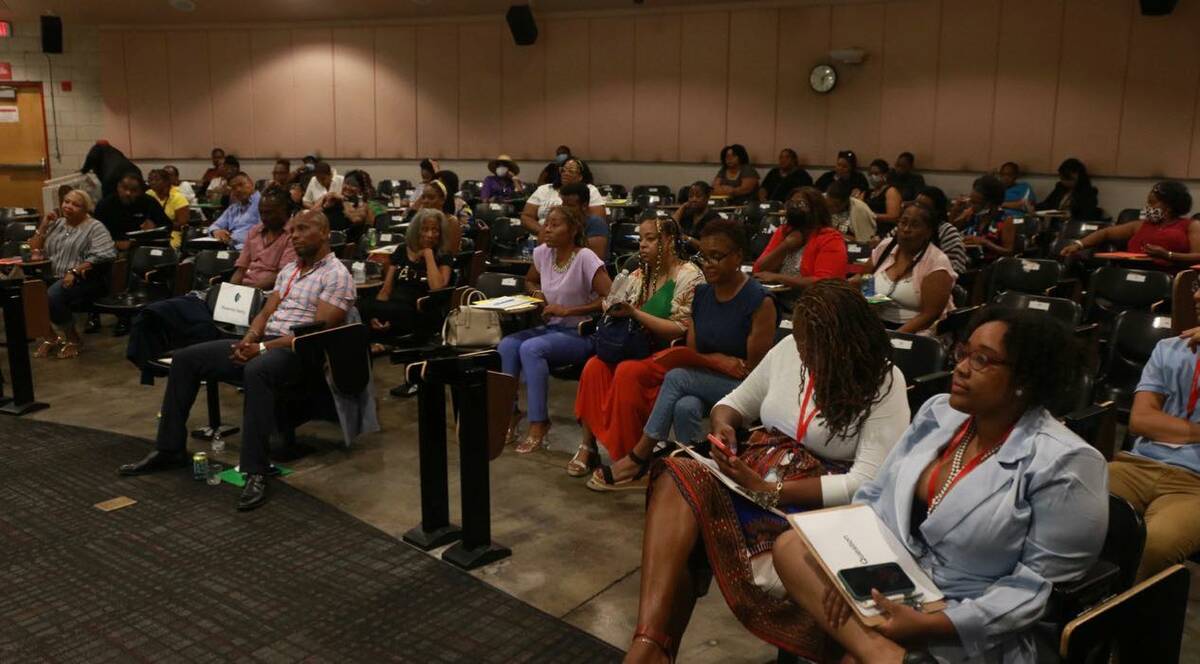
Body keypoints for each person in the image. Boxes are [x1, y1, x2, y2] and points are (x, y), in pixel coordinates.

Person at [772, 308, 1107, 664]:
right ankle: (883, 654)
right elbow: (876, 497)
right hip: (894, 580)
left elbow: (1038, 590)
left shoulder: (1066, 462)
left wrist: (936, 623)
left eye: (982, 360)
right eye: (963, 353)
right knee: (791, 547)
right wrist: (848, 574)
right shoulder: (940, 412)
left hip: (972, 615)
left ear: (1024, 378)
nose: (960, 368)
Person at [622, 280, 910, 661]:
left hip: (807, 500)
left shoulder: (884, 383)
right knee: (678, 473)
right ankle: (649, 642)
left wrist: (771, 491)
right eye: (802, 340)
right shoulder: (791, 350)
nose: (803, 352)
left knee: (690, 533)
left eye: (813, 345)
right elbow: (732, 403)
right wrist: (724, 426)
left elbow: (865, 483)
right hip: (756, 477)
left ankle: (654, 650)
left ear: (847, 342)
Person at [117, 210, 357, 512]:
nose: (294, 235)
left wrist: (262, 348)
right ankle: (169, 448)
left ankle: (255, 470)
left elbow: (316, 335)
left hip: (300, 353)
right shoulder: (291, 271)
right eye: (292, 230)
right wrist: (250, 337)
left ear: (324, 233)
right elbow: (266, 312)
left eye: (303, 229)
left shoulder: (336, 275)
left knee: (257, 370)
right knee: (187, 359)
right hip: (268, 342)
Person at [584, 219, 776, 486]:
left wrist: (712, 365)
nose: (708, 264)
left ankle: (639, 457)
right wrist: (717, 361)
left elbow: (754, 373)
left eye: (717, 257)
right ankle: (691, 475)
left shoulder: (759, 301)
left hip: (744, 387)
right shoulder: (702, 295)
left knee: (676, 378)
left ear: (738, 257)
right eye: (705, 257)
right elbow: (695, 353)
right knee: (685, 405)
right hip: (708, 377)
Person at [125, 187, 297, 385]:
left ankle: (198, 364)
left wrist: (246, 293)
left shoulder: (293, 235)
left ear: (286, 210)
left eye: (270, 212)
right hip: (243, 291)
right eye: (262, 211)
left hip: (265, 294)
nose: (264, 217)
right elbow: (240, 270)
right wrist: (231, 293)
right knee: (160, 312)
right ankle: (150, 364)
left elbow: (281, 276)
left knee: (206, 323)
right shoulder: (254, 231)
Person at [573, 215, 705, 461]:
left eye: (650, 239)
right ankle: (588, 447)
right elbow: (610, 303)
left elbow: (681, 329)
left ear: (669, 240)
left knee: (627, 372)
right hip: (633, 347)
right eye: (641, 239)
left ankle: (629, 456)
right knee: (593, 367)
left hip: (668, 354)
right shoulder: (638, 273)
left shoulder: (689, 275)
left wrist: (635, 313)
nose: (642, 244)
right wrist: (613, 306)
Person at [502, 206, 612, 453]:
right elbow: (530, 280)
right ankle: (510, 413)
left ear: (572, 230)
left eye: (554, 224)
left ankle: (539, 423)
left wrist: (568, 311)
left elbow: (612, 298)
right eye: (546, 224)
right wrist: (538, 296)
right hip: (551, 328)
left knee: (531, 349)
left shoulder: (585, 257)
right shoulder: (542, 253)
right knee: (507, 345)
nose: (546, 229)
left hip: (582, 332)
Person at [1111, 283, 1200, 580]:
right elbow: (1141, 421)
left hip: (1194, 485)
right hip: (1138, 466)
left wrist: (1173, 428)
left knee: (1155, 544)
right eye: (1198, 286)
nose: (1196, 295)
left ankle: (1123, 620)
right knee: (1062, 502)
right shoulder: (1169, 348)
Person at [27, 190, 117, 359]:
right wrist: (44, 224)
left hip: (85, 278)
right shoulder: (58, 223)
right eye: (66, 202)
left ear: (86, 209)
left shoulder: (95, 227)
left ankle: (73, 338)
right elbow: (35, 248)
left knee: (53, 295)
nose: (68, 206)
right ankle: (51, 337)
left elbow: (105, 254)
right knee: (28, 291)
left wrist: (74, 271)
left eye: (76, 204)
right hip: (53, 274)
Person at [857, 203, 956, 335]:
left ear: (928, 232)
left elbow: (930, 315)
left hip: (917, 332)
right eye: (903, 222)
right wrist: (872, 300)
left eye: (914, 225)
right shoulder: (885, 247)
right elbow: (866, 277)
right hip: (877, 323)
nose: (906, 229)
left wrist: (894, 336)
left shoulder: (937, 263)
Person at [357, 208, 454, 342]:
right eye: (425, 229)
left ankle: (383, 341)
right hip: (394, 307)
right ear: (416, 231)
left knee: (399, 312)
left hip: (419, 310)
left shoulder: (443, 255)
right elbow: (386, 290)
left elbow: (437, 288)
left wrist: (428, 254)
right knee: (361, 307)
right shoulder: (402, 250)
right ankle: (381, 338)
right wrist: (377, 315)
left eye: (435, 230)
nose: (430, 235)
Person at [1060, 181, 1200, 270]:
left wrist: (1168, 255)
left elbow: (1198, 257)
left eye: (1152, 202)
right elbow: (1106, 233)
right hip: (1130, 271)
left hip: (1165, 275)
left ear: (1169, 206)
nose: (1147, 206)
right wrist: (1078, 244)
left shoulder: (1191, 226)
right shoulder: (1140, 225)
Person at [754, 187, 849, 308]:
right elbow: (759, 269)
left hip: (815, 303)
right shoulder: (783, 231)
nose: (794, 208)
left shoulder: (830, 238)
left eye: (801, 204)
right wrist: (785, 246)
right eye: (791, 203)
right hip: (778, 300)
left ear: (816, 209)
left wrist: (778, 277)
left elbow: (824, 283)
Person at [521, 158, 606, 235]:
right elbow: (526, 216)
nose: (565, 173)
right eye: (563, 170)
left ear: (580, 177)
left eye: (571, 171)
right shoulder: (544, 189)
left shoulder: (590, 190)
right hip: (541, 235)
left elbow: (598, 220)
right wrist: (543, 232)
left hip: (573, 238)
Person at [92, 172, 171, 250]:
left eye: (134, 190)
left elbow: (168, 226)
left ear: (140, 191)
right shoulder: (105, 204)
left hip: (144, 247)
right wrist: (114, 243)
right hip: (113, 248)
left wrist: (155, 228)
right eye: (124, 188)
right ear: (118, 187)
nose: (128, 193)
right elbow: (96, 233)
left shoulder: (148, 202)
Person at [955, 174, 1014, 259]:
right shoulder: (973, 215)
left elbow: (1009, 252)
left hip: (991, 266)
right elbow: (952, 230)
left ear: (990, 204)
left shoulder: (1006, 220)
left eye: (975, 203)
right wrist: (955, 210)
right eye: (970, 201)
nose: (971, 205)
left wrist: (985, 242)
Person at [916, 186, 968, 276]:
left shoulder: (947, 232)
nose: (917, 210)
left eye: (923, 207)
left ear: (936, 211)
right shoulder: (904, 226)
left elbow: (953, 271)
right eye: (916, 205)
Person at [318, 170, 376, 245]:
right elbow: (312, 214)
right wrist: (325, 206)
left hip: (343, 245)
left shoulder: (364, 205)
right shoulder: (333, 197)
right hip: (322, 239)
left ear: (361, 189)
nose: (348, 187)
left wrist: (344, 200)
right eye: (346, 183)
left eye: (353, 185)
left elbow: (356, 219)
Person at [209, 172, 261, 250]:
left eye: (241, 184)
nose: (238, 190)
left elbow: (263, 235)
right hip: (228, 248)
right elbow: (214, 225)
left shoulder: (262, 204)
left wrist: (232, 239)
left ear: (251, 183)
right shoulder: (233, 208)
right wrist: (216, 231)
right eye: (233, 188)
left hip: (249, 250)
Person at [1036, 157, 1101, 220]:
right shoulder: (1060, 188)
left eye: (1069, 179)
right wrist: (1034, 208)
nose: (1065, 182)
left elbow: (1086, 215)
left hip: (1074, 226)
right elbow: (1047, 204)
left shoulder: (1088, 193)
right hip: (1056, 226)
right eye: (1062, 179)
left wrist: (1072, 215)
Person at [560, 181, 610, 259]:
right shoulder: (562, 221)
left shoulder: (596, 224)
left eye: (570, 206)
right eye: (563, 204)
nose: (564, 209)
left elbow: (595, 259)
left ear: (584, 206)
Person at [146, 168, 191, 249]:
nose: (152, 183)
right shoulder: (148, 194)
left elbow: (182, 224)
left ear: (166, 182)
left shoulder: (178, 197)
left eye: (156, 180)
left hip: (171, 234)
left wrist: (158, 225)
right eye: (150, 180)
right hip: (149, 232)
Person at [673, 181, 722, 251]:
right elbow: (672, 224)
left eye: (698, 196)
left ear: (707, 198)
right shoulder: (686, 214)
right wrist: (683, 207)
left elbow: (710, 247)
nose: (694, 199)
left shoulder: (714, 218)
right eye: (690, 196)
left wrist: (689, 240)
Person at [864, 159, 902, 224]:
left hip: (884, 228)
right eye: (870, 174)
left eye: (876, 174)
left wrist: (871, 216)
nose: (872, 177)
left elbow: (893, 217)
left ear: (885, 175)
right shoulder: (870, 192)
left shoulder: (891, 191)